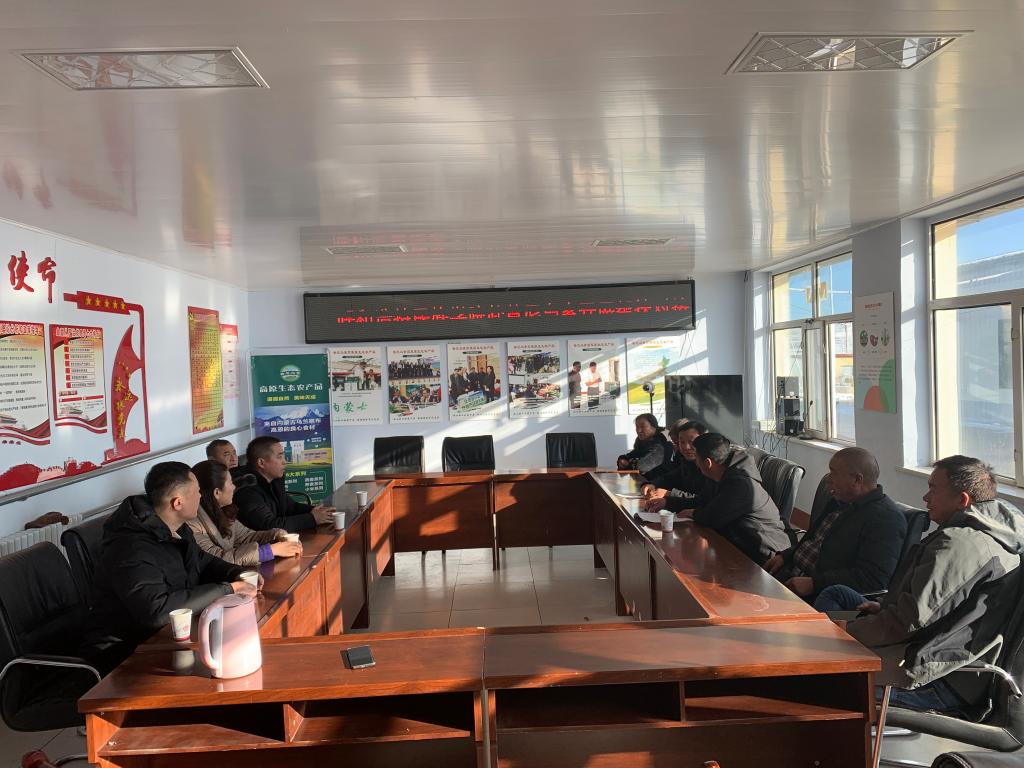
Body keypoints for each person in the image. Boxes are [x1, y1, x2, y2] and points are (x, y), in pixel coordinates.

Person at [817, 456, 1024, 715]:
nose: (925, 497)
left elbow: (906, 623)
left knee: (817, 679)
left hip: (935, 676)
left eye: (933, 489)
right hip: (931, 648)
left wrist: (843, 633)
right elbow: (938, 606)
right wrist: (883, 607)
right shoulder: (988, 534)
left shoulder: (961, 544)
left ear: (962, 500)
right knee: (836, 596)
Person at [80, 462, 255, 674]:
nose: (201, 496)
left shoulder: (176, 528)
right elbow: (157, 611)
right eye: (197, 491)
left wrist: (237, 573)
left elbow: (203, 561)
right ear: (178, 502)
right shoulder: (130, 548)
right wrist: (228, 589)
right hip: (125, 655)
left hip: (171, 637)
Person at [762, 447, 907, 602]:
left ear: (857, 480)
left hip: (820, 596)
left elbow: (872, 579)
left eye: (834, 473)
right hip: (790, 574)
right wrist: (786, 556)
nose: (829, 479)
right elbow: (812, 540)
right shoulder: (840, 500)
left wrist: (814, 584)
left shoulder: (886, 519)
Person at [648, 433, 789, 566]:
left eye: (697, 458)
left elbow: (713, 517)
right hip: (737, 541)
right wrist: (668, 502)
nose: (696, 463)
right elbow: (702, 501)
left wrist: (693, 513)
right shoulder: (719, 472)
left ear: (707, 463)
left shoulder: (741, 483)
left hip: (763, 552)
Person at [188, 460, 303, 566]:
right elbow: (218, 559)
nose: (234, 487)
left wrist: (277, 535)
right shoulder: (192, 524)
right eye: (231, 483)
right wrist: (271, 550)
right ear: (217, 493)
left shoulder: (224, 511)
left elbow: (246, 537)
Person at [234, 436, 336, 532]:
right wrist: (312, 518)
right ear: (261, 463)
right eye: (279, 457)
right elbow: (269, 525)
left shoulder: (274, 479)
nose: (285, 462)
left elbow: (290, 507)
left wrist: (318, 512)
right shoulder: (247, 490)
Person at [641, 419, 708, 500]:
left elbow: (704, 500)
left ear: (704, 441)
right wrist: (651, 484)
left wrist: (669, 493)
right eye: (682, 442)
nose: (686, 447)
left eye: (691, 441)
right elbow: (669, 478)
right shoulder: (687, 463)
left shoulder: (710, 466)